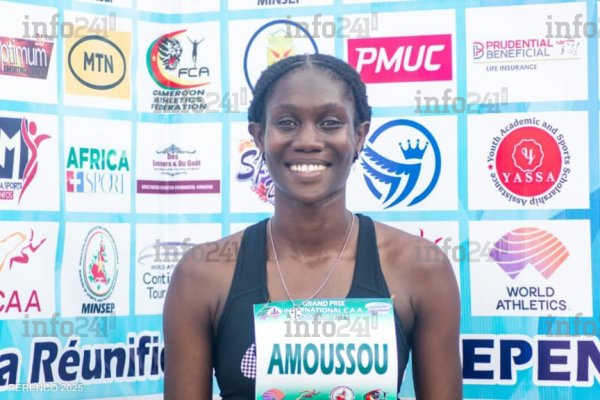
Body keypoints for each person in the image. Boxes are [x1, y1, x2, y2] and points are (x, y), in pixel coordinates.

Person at [163, 53, 462, 399]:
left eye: (330, 122)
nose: (308, 140)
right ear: (259, 136)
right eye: (287, 122)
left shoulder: (420, 268)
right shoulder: (202, 275)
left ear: (360, 135)